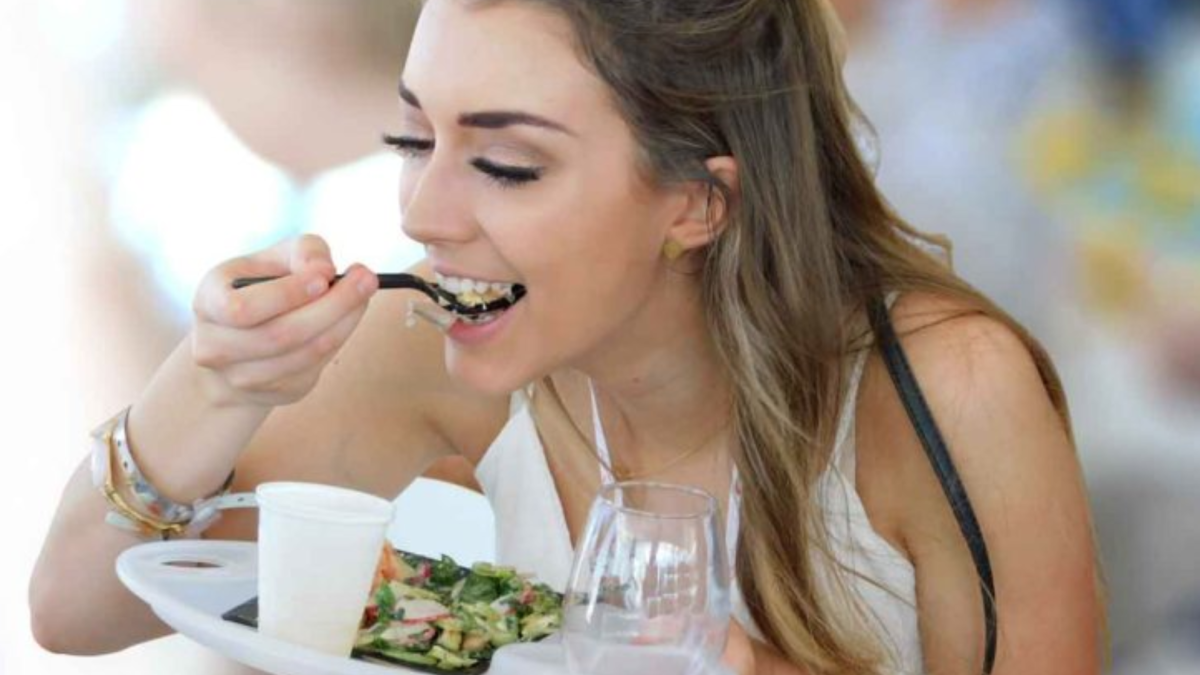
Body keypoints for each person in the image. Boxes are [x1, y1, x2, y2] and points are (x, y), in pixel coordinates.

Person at [31, 0, 1104, 673]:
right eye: (414, 138)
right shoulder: (430, 350)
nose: (422, 213)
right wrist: (214, 382)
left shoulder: (951, 390)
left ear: (697, 202)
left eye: (506, 165)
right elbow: (72, 612)